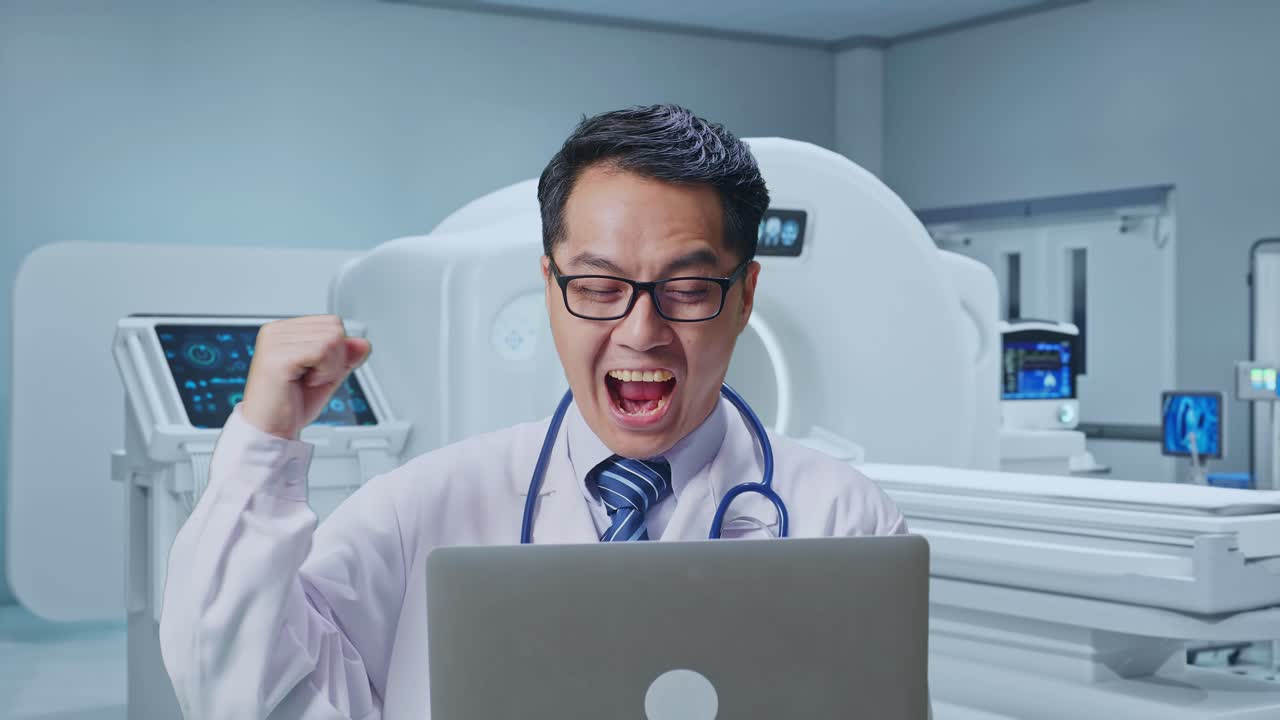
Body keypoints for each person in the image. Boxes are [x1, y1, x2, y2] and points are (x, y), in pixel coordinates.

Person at [159, 104, 907, 719]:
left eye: (686, 289)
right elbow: (237, 693)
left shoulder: (842, 521)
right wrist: (261, 445)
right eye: (599, 285)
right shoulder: (418, 508)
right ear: (550, 286)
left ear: (744, 297)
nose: (640, 331)